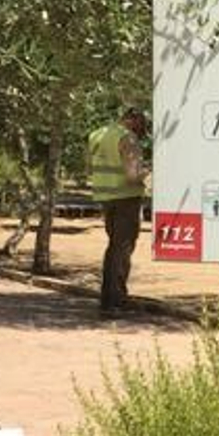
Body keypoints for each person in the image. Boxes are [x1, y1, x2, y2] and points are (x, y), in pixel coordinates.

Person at [87, 106, 151, 316]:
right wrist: (151, 169)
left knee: (114, 247)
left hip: (105, 197)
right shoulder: (128, 139)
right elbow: (133, 175)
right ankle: (114, 302)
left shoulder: (96, 135)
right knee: (121, 249)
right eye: (142, 126)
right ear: (134, 119)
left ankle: (112, 298)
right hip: (126, 198)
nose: (142, 133)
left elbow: (89, 167)